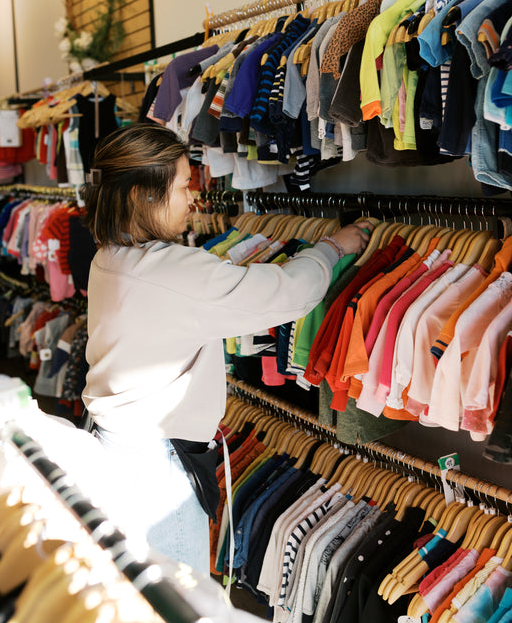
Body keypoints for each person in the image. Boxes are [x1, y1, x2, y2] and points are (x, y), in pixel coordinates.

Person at [81, 122, 372, 574]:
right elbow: (288, 292)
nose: (192, 199)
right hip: (157, 473)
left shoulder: (110, 257)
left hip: (118, 451)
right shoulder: (172, 271)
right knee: (175, 602)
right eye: (182, 187)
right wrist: (332, 247)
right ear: (142, 195)